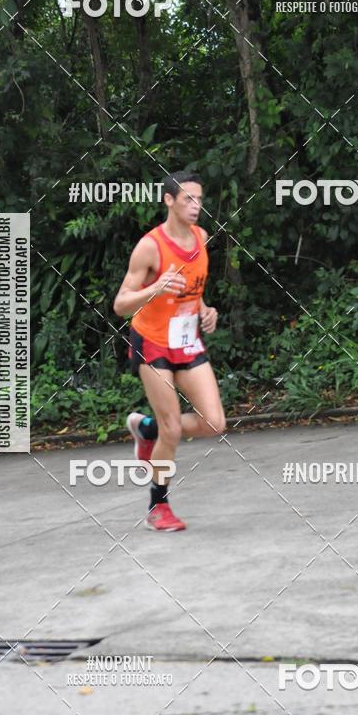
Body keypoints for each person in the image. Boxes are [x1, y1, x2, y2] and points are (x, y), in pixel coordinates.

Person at [113, 171, 226, 531]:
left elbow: (192, 287)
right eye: (188, 199)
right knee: (173, 428)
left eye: (199, 199)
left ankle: (146, 429)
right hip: (152, 341)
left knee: (214, 423)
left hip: (186, 341)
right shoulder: (150, 247)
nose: (196, 206)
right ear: (169, 200)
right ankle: (157, 506)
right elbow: (121, 304)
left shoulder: (201, 238)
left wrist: (205, 310)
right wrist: (154, 288)